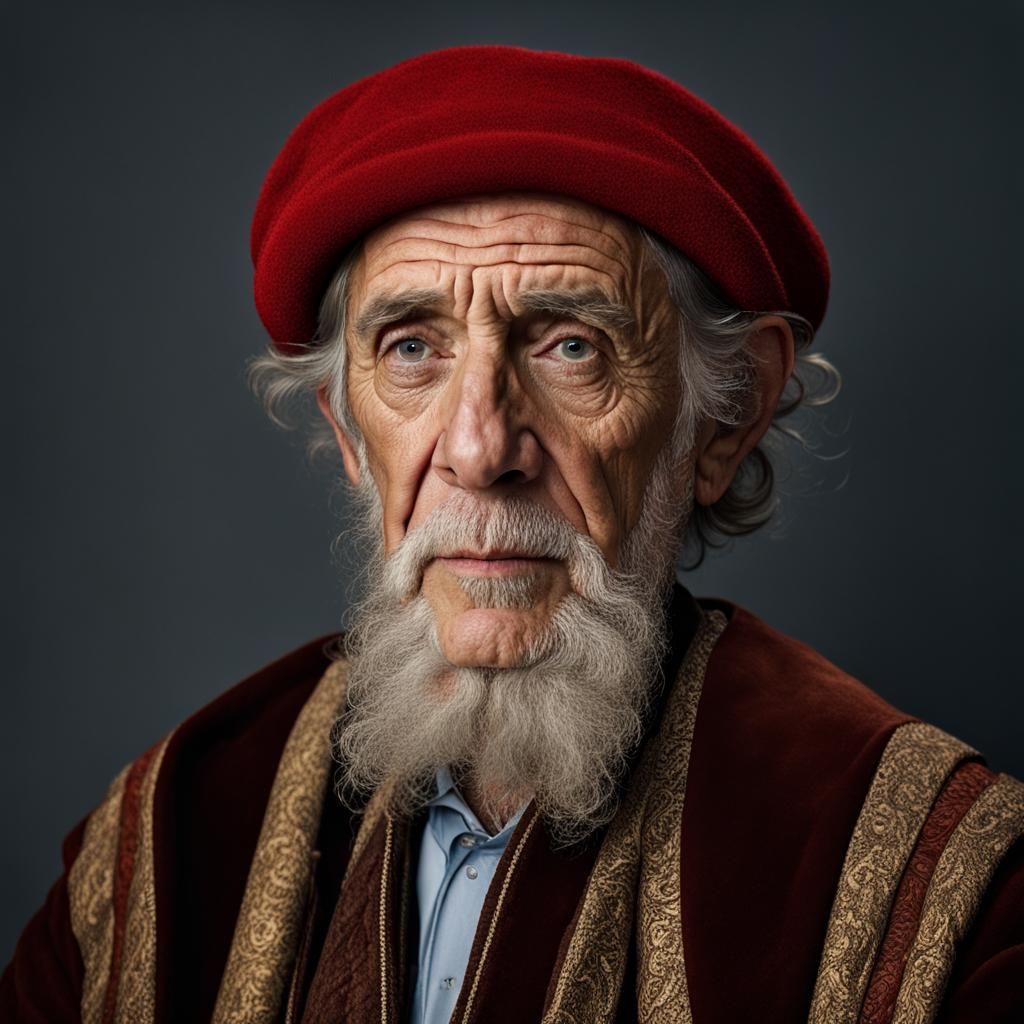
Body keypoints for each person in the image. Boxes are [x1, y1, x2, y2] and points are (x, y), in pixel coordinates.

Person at [3, 44, 1021, 1024]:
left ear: (723, 418)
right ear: (349, 434)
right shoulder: (168, 838)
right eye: (412, 349)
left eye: (571, 345)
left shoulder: (942, 883)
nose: (481, 446)